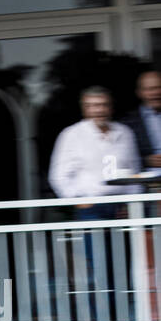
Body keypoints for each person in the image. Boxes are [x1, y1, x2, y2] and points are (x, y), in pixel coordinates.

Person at [49, 87, 142, 219]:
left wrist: (132, 203)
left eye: (104, 105)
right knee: (96, 240)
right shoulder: (71, 135)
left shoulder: (125, 133)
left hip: (122, 208)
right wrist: (78, 201)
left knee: (128, 240)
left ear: (111, 107)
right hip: (91, 208)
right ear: (84, 109)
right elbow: (58, 176)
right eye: (93, 106)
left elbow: (134, 172)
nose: (99, 110)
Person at [123, 71, 161, 169]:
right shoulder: (128, 122)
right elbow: (121, 155)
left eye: (159, 87)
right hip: (145, 179)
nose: (156, 93)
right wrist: (145, 160)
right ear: (139, 93)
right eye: (150, 89)